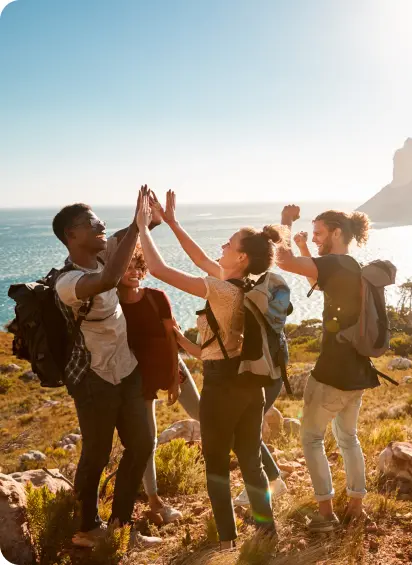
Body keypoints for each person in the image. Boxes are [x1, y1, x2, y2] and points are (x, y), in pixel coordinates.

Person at [135, 192, 281, 550]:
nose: (222, 245)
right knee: (250, 460)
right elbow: (200, 259)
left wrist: (142, 227)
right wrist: (171, 222)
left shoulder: (220, 289)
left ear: (242, 257)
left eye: (229, 243)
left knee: (216, 464)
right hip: (249, 386)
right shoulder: (242, 287)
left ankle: (227, 542)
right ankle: (267, 532)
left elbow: (158, 271)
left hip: (221, 390)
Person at [52, 186, 162, 548]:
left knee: (142, 443)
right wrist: (133, 226)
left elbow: (147, 226)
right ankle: (87, 528)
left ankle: (120, 525)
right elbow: (109, 281)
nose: (101, 224)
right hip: (94, 379)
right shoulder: (67, 282)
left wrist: (149, 216)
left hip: (126, 369)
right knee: (97, 453)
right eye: (90, 221)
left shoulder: (105, 252)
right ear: (72, 235)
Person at [275, 205, 377, 533]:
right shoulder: (349, 266)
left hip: (332, 372)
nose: (315, 237)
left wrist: (286, 224)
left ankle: (325, 514)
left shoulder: (335, 263)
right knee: (348, 438)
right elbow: (318, 282)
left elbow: (283, 261)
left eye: (319, 233)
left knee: (311, 438)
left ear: (336, 233)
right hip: (358, 371)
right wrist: (306, 247)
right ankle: (356, 509)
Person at [117, 243, 202, 524]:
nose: (133, 272)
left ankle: (249, 470)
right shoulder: (112, 304)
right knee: (147, 440)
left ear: (143, 270)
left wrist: (174, 380)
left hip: (169, 365)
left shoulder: (156, 297)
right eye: (126, 267)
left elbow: (172, 337)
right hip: (138, 376)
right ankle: (154, 500)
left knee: (203, 415)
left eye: (137, 267)